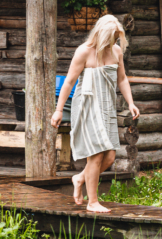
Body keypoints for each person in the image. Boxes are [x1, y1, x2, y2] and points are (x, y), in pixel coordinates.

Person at [51, 14, 140, 213]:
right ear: (101, 34)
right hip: (87, 106)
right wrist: (58, 110)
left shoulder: (116, 51)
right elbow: (69, 82)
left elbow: (122, 79)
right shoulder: (83, 52)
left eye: (116, 38)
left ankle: (80, 178)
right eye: (111, 38)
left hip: (107, 107)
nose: (114, 42)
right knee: (96, 155)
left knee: (110, 157)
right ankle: (92, 202)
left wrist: (131, 103)